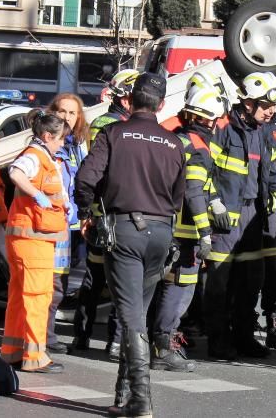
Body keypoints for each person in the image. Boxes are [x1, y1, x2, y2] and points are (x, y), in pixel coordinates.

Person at [74, 73, 185, 418]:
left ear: (129, 100)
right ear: (162, 105)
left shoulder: (114, 133)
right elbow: (178, 198)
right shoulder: (174, 144)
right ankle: (123, 398)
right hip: (161, 234)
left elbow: (85, 180)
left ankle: (140, 400)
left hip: (125, 231)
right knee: (137, 310)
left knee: (131, 315)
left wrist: (87, 212)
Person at [205, 71, 276, 360]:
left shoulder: (265, 132)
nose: (272, 111)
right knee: (219, 281)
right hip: (226, 216)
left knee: (250, 281)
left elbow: (274, 173)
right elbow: (203, 170)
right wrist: (213, 203)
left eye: (273, 106)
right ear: (247, 103)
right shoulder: (223, 128)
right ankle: (217, 340)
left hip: (255, 215)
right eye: (266, 105)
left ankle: (244, 337)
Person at [150, 71, 228, 372]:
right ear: (207, 119)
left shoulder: (177, 139)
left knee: (172, 287)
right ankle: (164, 346)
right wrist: (206, 233)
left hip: (169, 228)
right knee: (180, 288)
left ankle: (163, 341)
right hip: (185, 233)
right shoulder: (196, 147)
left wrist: (214, 199)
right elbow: (193, 190)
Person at [72, 69, 139, 357]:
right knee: (104, 278)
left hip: (109, 210)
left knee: (105, 278)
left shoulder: (117, 123)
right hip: (107, 212)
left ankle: (94, 338)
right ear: (125, 100)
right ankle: (95, 338)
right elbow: (104, 171)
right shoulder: (109, 125)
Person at [0, 112, 69, 374]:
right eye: (60, 139)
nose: (62, 144)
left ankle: (13, 352)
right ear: (47, 136)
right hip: (32, 238)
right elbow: (16, 173)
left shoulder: (45, 157)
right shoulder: (34, 156)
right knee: (38, 296)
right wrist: (37, 195)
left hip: (29, 237)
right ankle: (35, 356)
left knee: (20, 296)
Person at [45, 93, 89, 354]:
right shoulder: (48, 144)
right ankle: (46, 336)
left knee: (62, 281)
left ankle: (47, 334)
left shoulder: (76, 144)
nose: (66, 117)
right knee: (53, 284)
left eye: (72, 113)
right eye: (62, 111)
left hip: (72, 225)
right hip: (55, 224)